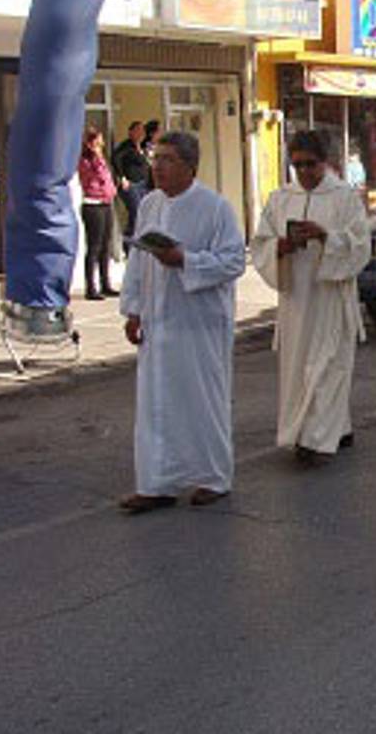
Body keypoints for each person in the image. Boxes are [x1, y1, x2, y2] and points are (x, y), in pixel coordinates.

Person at [118, 132, 246, 514]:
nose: (157, 167)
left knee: (201, 399)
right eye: (156, 158)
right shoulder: (150, 204)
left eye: (168, 159)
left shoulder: (215, 207)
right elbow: (138, 261)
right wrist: (134, 310)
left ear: (191, 166)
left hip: (199, 324)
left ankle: (212, 477)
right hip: (159, 322)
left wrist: (185, 261)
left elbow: (233, 261)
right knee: (157, 401)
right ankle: (157, 483)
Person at [251, 131, 370, 463]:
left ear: (325, 163)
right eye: (297, 164)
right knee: (298, 368)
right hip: (296, 301)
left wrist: (326, 237)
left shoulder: (344, 197)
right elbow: (260, 242)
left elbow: (361, 245)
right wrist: (280, 247)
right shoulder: (280, 198)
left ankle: (317, 440)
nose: (303, 172)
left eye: (310, 165)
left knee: (328, 365)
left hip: (330, 296)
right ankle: (334, 427)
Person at [77, 125, 118, 300]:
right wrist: (96, 157)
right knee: (94, 246)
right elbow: (96, 176)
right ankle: (90, 287)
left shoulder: (101, 158)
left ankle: (105, 282)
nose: (101, 143)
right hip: (92, 204)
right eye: (98, 140)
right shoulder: (86, 161)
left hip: (106, 202)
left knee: (105, 245)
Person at [112, 120, 150, 248]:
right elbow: (116, 160)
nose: (141, 133)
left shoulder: (142, 147)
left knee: (144, 213)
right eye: (138, 130)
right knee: (136, 212)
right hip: (131, 184)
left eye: (143, 131)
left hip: (143, 184)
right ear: (131, 132)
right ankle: (128, 245)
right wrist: (122, 177)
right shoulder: (125, 147)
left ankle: (141, 243)